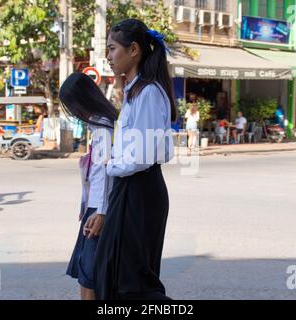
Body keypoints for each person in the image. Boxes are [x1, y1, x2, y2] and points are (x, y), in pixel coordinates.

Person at [94, 18, 177, 300]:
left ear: (133, 50)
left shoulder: (149, 92)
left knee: (134, 281)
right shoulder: (133, 92)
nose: (108, 56)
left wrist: (111, 164)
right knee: (115, 273)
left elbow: (144, 154)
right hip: (128, 188)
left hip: (141, 190)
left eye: (112, 48)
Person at [59, 72, 117, 300]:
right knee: (89, 273)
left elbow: (104, 170)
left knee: (88, 277)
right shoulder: (101, 124)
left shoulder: (103, 127)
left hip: (100, 209)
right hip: (95, 208)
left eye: (72, 105)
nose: (73, 112)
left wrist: (100, 212)